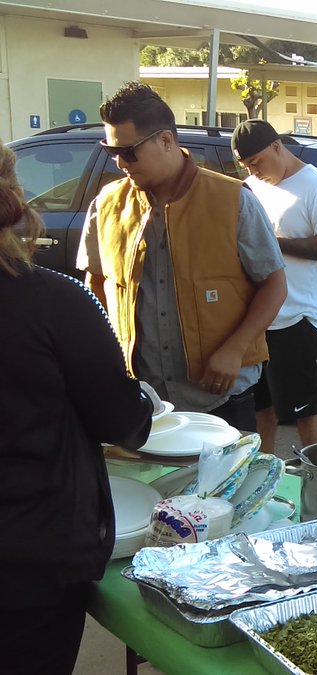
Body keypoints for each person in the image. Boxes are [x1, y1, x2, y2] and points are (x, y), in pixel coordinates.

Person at [0, 142, 153, 675]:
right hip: (30, 562)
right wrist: (140, 404)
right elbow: (122, 420)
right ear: (14, 199)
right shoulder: (49, 300)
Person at [76, 82, 286, 431]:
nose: (119, 162)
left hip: (221, 396)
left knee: (225, 487)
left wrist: (235, 348)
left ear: (166, 140)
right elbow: (96, 285)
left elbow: (274, 283)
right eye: (111, 151)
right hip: (143, 397)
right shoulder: (107, 204)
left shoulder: (233, 199)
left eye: (128, 151)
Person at [232, 119, 317, 452]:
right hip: (258, 315)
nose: (253, 171)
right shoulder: (254, 187)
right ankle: (261, 475)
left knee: (306, 407)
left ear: (277, 147)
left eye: (257, 162)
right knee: (259, 406)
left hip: (300, 316)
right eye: (246, 166)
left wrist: (273, 242)